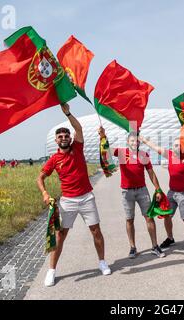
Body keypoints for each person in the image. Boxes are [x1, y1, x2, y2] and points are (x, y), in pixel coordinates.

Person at [37, 103, 111, 287]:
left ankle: (102, 262)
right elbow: (40, 178)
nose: (64, 138)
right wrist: (45, 193)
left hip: (86, 197)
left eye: (66, 135)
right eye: (60, 136)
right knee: (60, 235)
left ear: (70, 138)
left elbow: (78, 127)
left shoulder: (77, 147)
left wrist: (68, 112)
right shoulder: (54, 159)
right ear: (56, 141)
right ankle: (52, 271)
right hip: (68, 200)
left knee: (96, 231)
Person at [98, 127, 166, 259]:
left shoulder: (144, 155)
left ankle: (154, 246)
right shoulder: (121, 152)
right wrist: (102, 137)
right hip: (127, 192)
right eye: (132, 140)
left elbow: (151, 173)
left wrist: (158, 189)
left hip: (142, 190)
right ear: (127, 141)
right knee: (129, 219)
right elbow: (106, 151)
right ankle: (133, 247)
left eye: (137, 141)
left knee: (149, 218)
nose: (135, 143)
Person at [139, 135, 184, 251]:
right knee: (167, 215)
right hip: (172, 192)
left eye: (179, 145)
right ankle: (170, 238)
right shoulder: (169, 155)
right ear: (172, 147)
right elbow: (155, 147)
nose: (177, 147)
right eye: (175, 145)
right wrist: (144, 140)